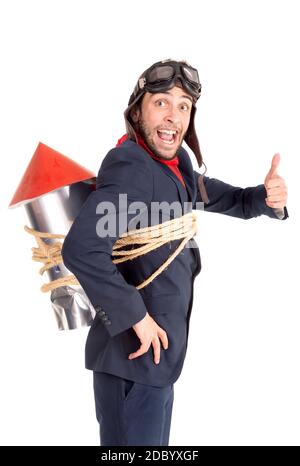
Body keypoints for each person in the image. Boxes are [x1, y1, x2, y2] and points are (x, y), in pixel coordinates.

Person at [61, 59, 289, 446]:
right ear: (137, 111)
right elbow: (81, 249)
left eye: (183, 106)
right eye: (161, 102)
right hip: (131, 358)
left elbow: (220, 196)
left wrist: (266, 199)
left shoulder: (175, 163)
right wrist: (138, 318)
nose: (174, 116)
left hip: (157, 360)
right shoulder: (131, 166)